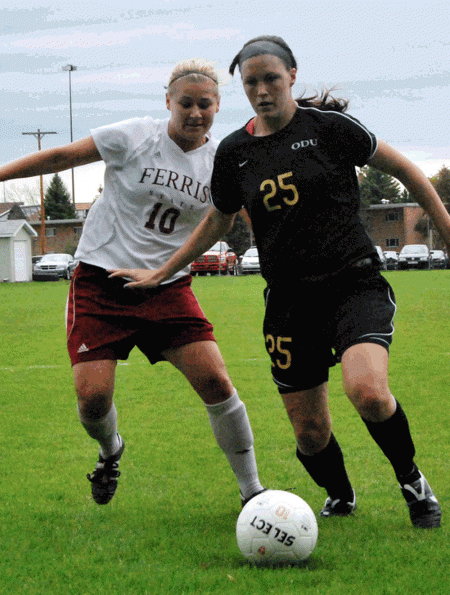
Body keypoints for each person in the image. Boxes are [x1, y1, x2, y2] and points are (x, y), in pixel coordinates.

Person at [110, 37, 450, 529]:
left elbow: (406, 171)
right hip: (289, 302)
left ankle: (414, 484)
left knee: (369, 392)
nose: (262, 90)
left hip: (353, 286)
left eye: (271, 78)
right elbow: (217, 221)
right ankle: (340, 495)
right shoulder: (234, 151)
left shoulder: (330, 130)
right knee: (310, 433)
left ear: (292, 75)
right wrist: (164, 270)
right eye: (251, 82)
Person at [0, 58, 265, 508]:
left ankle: (252, 492)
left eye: (205, 104)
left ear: (218, 105)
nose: (195, 112)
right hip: (102, 283)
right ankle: (110, 450)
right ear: (168, 101)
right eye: (185, 103)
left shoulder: (222, 161)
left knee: (217, 383)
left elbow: (236, 217)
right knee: (92, 398)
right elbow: (63, 156)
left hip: (168, 288)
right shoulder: (134, 136)